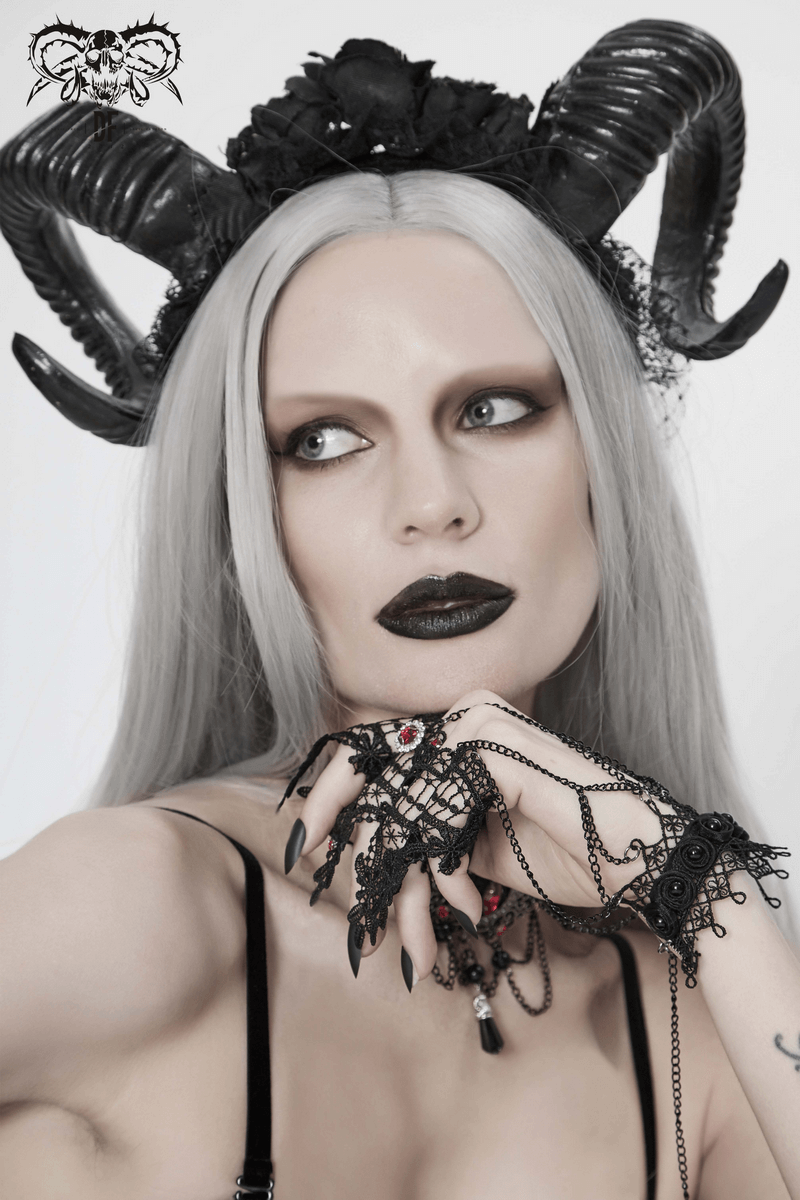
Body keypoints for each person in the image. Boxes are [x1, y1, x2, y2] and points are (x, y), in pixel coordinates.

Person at [0, 20, 797, 1200]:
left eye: (494, 410)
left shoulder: (691, 996)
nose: (430, 506)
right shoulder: (137, 904)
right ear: (240, 518)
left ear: (603, 459)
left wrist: (701, 887)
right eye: (322, 442)